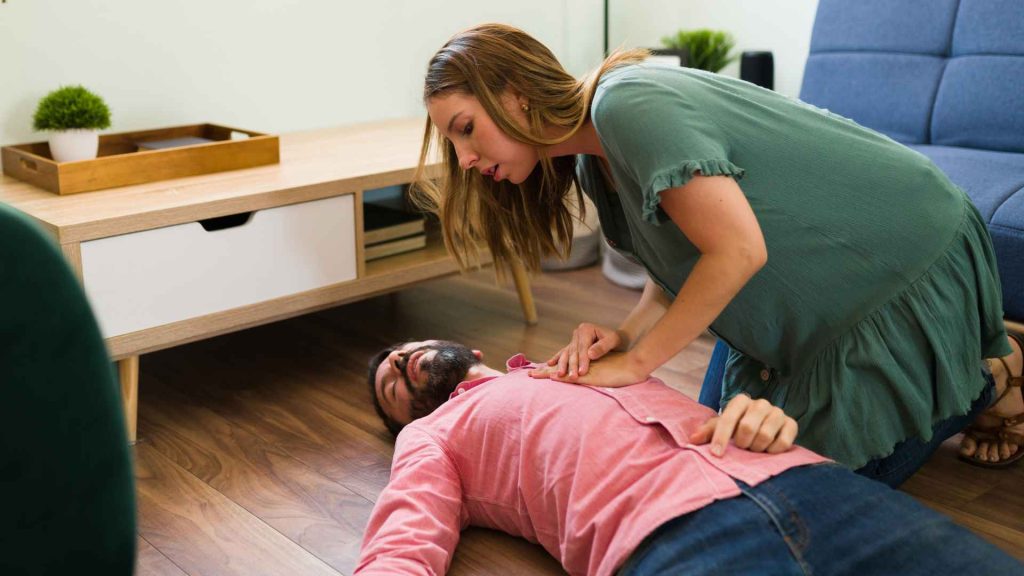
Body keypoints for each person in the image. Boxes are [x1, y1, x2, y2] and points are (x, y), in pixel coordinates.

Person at [410, 23, 1024, 481]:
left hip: (902, 256)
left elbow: (736, 249)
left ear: (515, 92)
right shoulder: (592, 159)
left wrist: (637, 364)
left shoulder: (625, 103)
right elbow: (679, 250)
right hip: (801, 304)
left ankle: (989, 374)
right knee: (716, 456)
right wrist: (627, 335)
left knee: (798, 486)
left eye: (465, 128)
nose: (463, 159)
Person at [356, 339, 1020, 575]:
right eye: (391, 386)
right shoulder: (433, 435)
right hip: (672, 541)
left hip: (804, 479)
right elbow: (404, 540)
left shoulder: (576, 365)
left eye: (400, 351)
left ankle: (987, 381)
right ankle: (993, 383)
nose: (396, 362)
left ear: (469, 350)